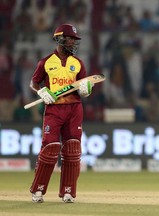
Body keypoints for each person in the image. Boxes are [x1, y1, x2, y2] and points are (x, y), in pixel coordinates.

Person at [29, 24, 93, 203]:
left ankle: (68, 192)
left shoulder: (78, 63)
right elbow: (34, 82)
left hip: (74, 108)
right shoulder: (46, 62)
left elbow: (83, 86)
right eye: (70, 38)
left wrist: (86, 89)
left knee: (72, 148)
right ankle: (38, 190)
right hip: (54, 109)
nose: (73, 42)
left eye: (75, 39)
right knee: (49, 148)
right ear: (59, 38)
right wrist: (41, 92)